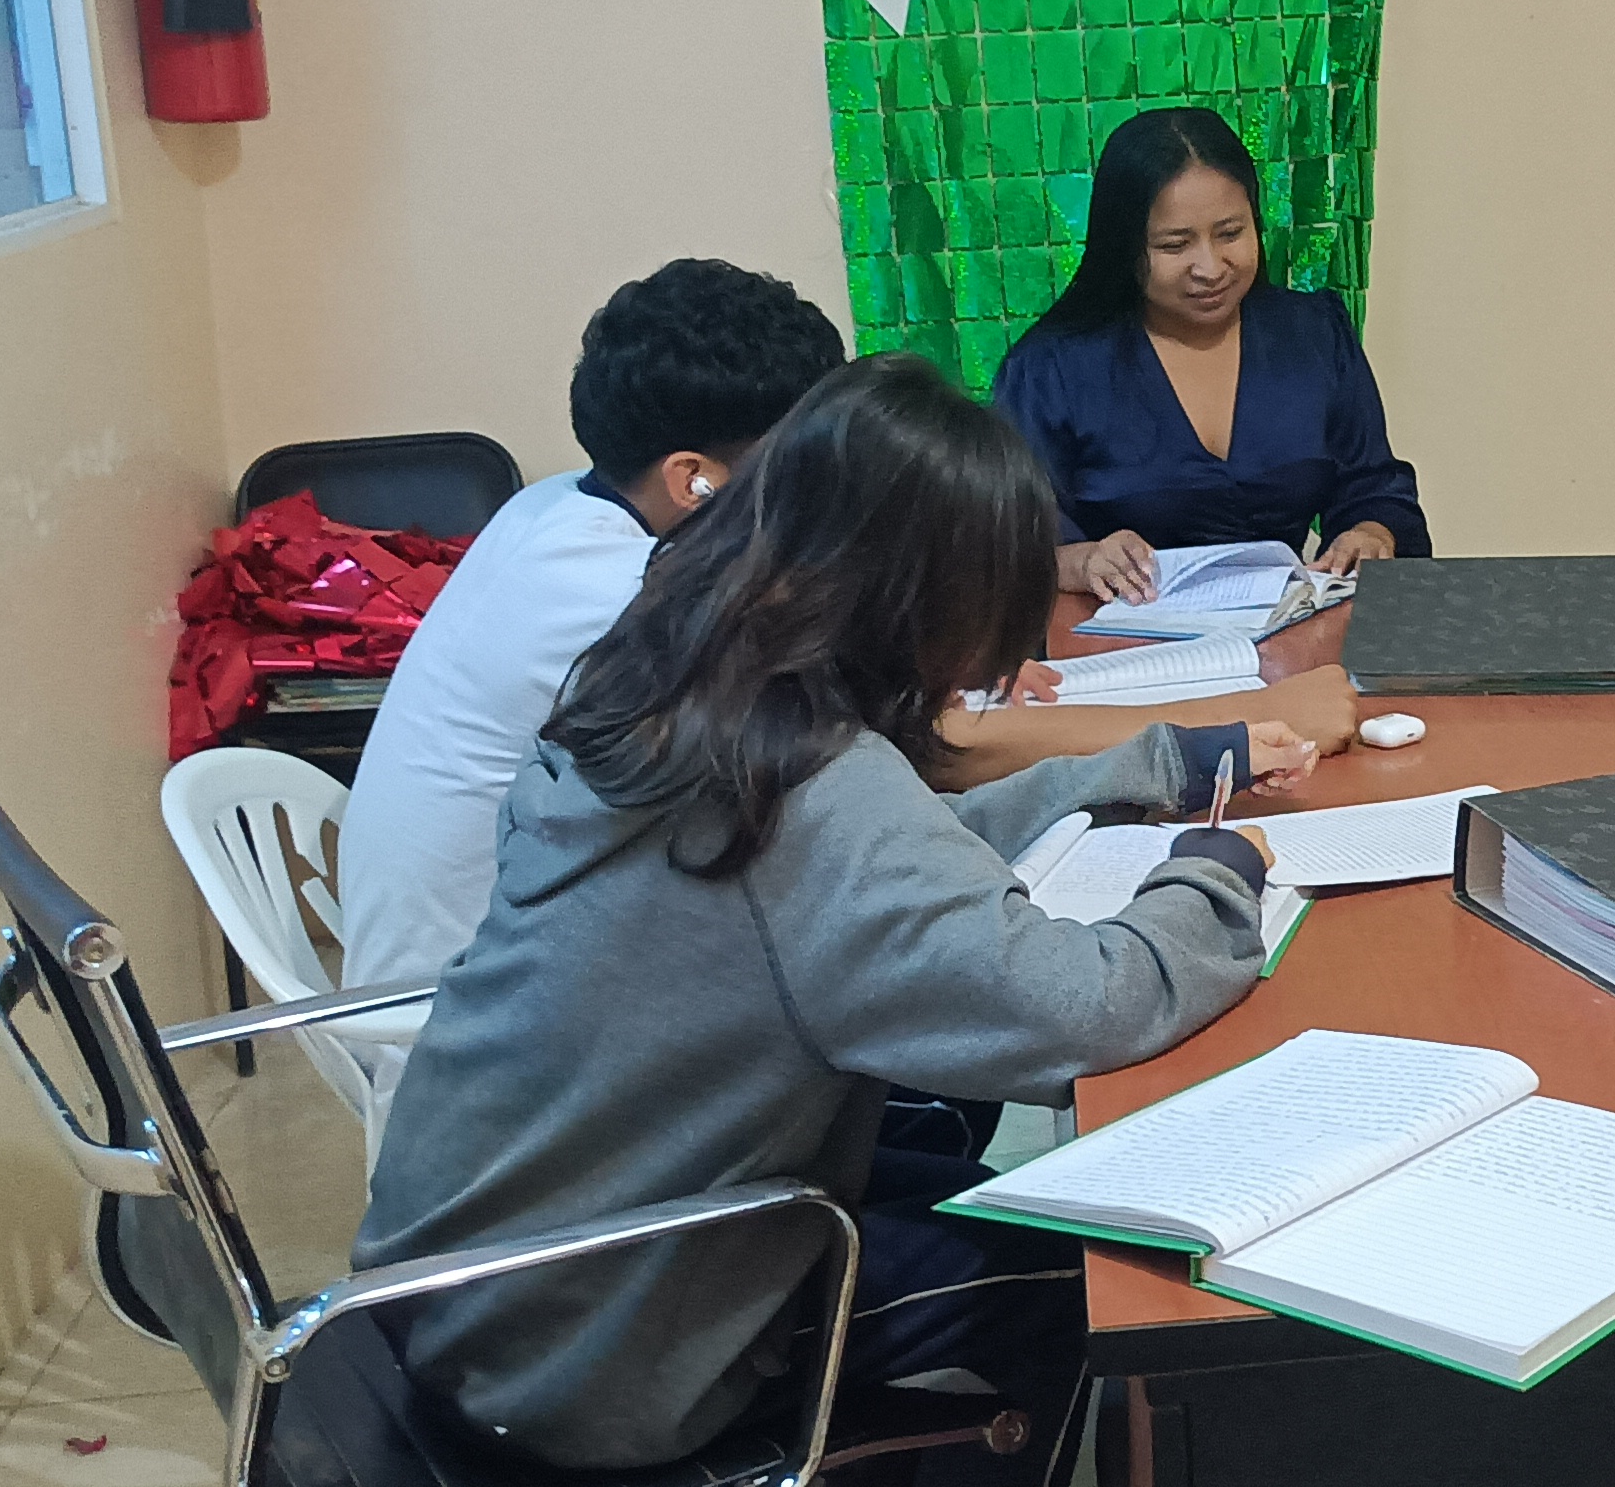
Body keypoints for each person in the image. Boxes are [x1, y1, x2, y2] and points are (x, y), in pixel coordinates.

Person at [355, 353, 1315, 1480]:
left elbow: (893, 848)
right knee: (1096, 1278)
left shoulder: (672, 686)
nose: (989, 668)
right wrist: (1215, 872)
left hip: (462, 1273)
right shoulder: (808, 790)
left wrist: (1150, 767)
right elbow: (1082, 1010)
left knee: (967, 1159)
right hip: (595, 1353)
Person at [335, 259, 1357, 1039]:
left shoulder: (565, 511)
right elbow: (931, 757)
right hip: (515, 1016)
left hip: (576, 983)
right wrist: (1231, 730)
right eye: (807, 462)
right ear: (694, 478)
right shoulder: (635, 602)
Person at [990, 107, 1429, 600]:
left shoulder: (1313, 333)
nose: (1211, 268)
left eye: (1230, 234)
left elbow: (1373, 485)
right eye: (1175, 245)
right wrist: (1082, 561)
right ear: (1124, 248)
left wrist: (1370, 533)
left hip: (1289, 627)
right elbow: (1003, 547)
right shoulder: (1048, 371)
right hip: (1120, 633)